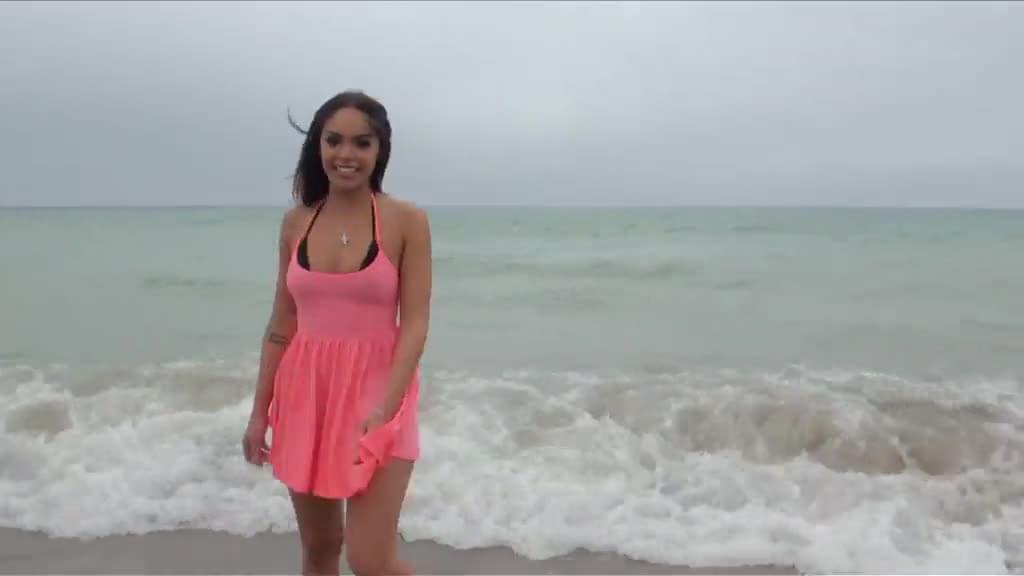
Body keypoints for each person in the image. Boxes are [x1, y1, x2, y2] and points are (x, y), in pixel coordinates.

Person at [241, 90, 432, 576]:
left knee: (370, 560)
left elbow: (414, 324)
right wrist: (259, 412)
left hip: (379, 399)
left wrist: (385, 407)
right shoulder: (296, 223)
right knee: (320, 550)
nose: (346, 154)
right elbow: (281, 326)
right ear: (318, 145)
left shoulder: (406, 221)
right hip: (307, 396)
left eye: (362, 143)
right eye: (334, 141)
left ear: (379, 151)